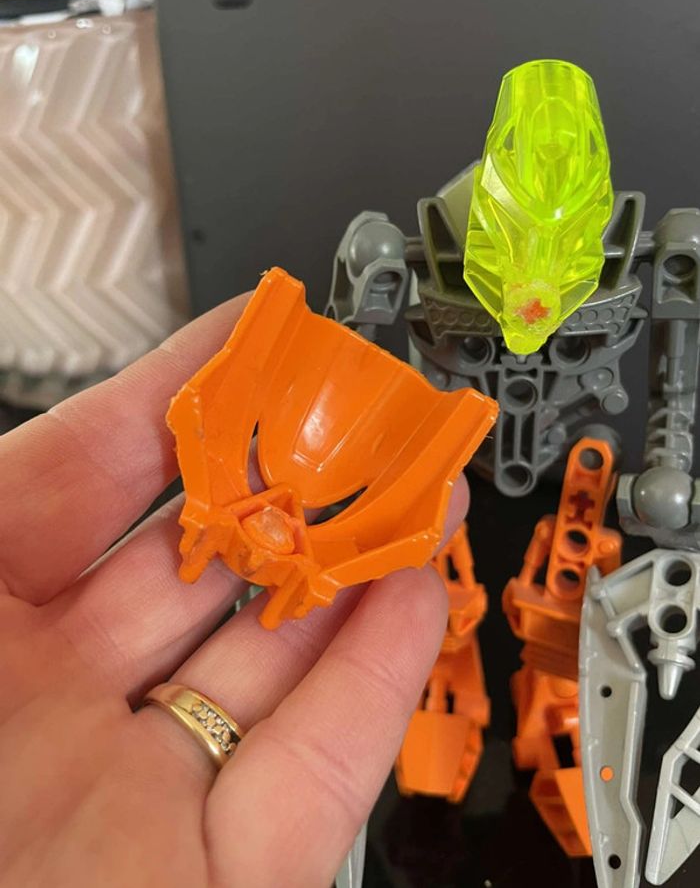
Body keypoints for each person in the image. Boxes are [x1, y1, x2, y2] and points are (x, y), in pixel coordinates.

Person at [0, 290, 468, 888]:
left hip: (306, 521)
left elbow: (395, 529)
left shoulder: (320, 522)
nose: (269, 536)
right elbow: (201, 419)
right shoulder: (226, 484)